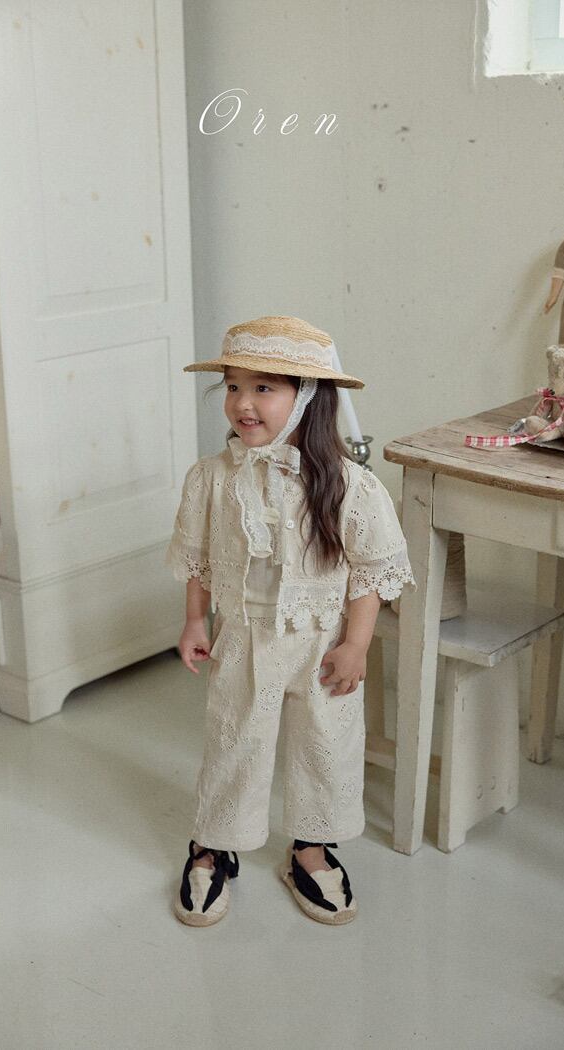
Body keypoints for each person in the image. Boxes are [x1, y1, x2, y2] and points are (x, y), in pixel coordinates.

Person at [165, 316, 415, 927]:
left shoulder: (350, 486)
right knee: (235, 741)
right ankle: (213, 845)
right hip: (243, 636)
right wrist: (196, 621)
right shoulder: (212, 479)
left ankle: (311, 847)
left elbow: (370, 571)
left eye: (263, 388)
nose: (242, 403)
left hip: (322, 642)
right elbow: (200, 559)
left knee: (324, 745)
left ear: (307, 398)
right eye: (232, 386)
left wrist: (356, 645)